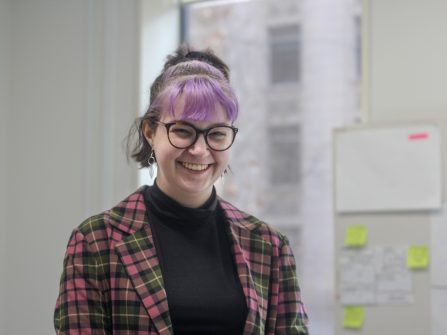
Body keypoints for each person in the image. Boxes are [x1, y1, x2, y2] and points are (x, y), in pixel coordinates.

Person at [54, 45, 309, 335]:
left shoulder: (270, 247)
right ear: (150, 132)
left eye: (216, 134)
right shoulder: (96, 242)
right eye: (183, 131)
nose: (200, 150)